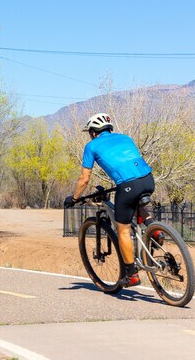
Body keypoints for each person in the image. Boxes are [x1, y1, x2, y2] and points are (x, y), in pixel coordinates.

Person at [64, 113, 160, 287]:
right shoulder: (125, 138)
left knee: (122, 229)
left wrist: (74, 198)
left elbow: (84, 179)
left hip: (128, 185)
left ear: (93, 132)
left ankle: (131, 274)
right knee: (136, 204)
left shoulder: (91, 146)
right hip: (148, 179)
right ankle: (154, 229)